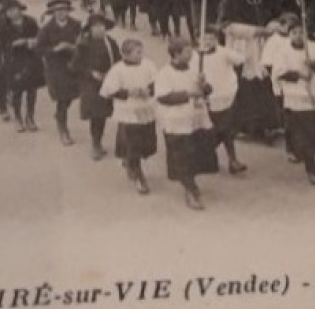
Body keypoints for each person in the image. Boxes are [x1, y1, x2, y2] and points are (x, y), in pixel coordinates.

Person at [216, 0, 283, 141]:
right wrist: (255, 31)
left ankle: (269, 123)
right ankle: (247, 126)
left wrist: (272, 25)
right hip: (243, 46)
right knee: (246, 84)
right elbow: (226, 26)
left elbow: (276, 14)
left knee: (265, 80)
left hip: (265, 43)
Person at [154, 36, 220, 209]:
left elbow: (207, 91)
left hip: (196, 119)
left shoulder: (194, 70)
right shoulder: (165, 73)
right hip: (177, 122)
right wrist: (189, 94)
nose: (191, 54)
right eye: (187, 51)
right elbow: (163, 97)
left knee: (195, 153)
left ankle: (191, 181)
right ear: (176, 54)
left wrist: (204, 85)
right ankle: (189, 189)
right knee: (182, 156)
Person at [269, 18, 315, 184]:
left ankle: (314, 161)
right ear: (289, 34)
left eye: (301, 32)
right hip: (297, 96)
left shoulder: (314, 47)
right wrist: (299, 74)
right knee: (305, 133)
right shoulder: (283, 51)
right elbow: (278, 73)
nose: (298, 36)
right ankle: (310, 167)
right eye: (294, 33)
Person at [99, 37, 160, 194]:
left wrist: (149, 90)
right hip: (128, 110)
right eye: (137, 53)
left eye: (141, 52)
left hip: (145, 108)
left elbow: (156, 81)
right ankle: (137, 173)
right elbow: (108, 91)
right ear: (126, 55)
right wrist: (129, 92)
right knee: (134, 141)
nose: (141, 55)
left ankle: (130, 159)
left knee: (146, 140)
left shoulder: (148, 65)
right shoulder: (118, 70)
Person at [196, 25, 247, 174]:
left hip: (226, 96)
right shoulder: (196, 58)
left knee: (227, 128)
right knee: (214, 129)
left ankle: (232, 159)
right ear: (197, 40)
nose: (207, 42)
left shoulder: (224, 53)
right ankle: (204, 156)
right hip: (208, 99)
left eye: (211, 38)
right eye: (204, 38)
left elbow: (240, 60)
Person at [72, 12, 122, 160]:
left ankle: (111, 144)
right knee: (96, 114)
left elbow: (118, 61)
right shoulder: (84, 44)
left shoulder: (111, 42)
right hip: (91, 84)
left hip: (108, 82)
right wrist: (91, 73)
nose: (100, 29)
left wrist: (113, 74)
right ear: (90, 29)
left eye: (102, 26)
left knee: (106, 114)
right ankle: (95, 143)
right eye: (96, 27)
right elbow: (75, 66)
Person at [36, 0, 84, 145]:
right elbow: (39, 49)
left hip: (72, 65)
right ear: (53, 13)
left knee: (70, 96)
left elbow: (83, 43)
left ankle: (59, 115)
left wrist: (72, 47)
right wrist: (54, 49)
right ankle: (63, 129)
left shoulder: (76, 25)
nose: (61, 13)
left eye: (64, 10)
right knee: (62, 98)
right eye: (58, 11)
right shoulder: (46, 29)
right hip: (56, 67)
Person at [2, 0, 44, 133]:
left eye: (14, 10)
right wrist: (15, 44)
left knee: (32, 90)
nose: (12, 13)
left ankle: (30, 117)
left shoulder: (30, 22)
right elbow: (3, 45)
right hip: (14, 61)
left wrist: (34, 42)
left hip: (31, 59)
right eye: (9, 11)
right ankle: (18, 118)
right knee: (17, 91)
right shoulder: (4, 27)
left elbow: (40, 37)